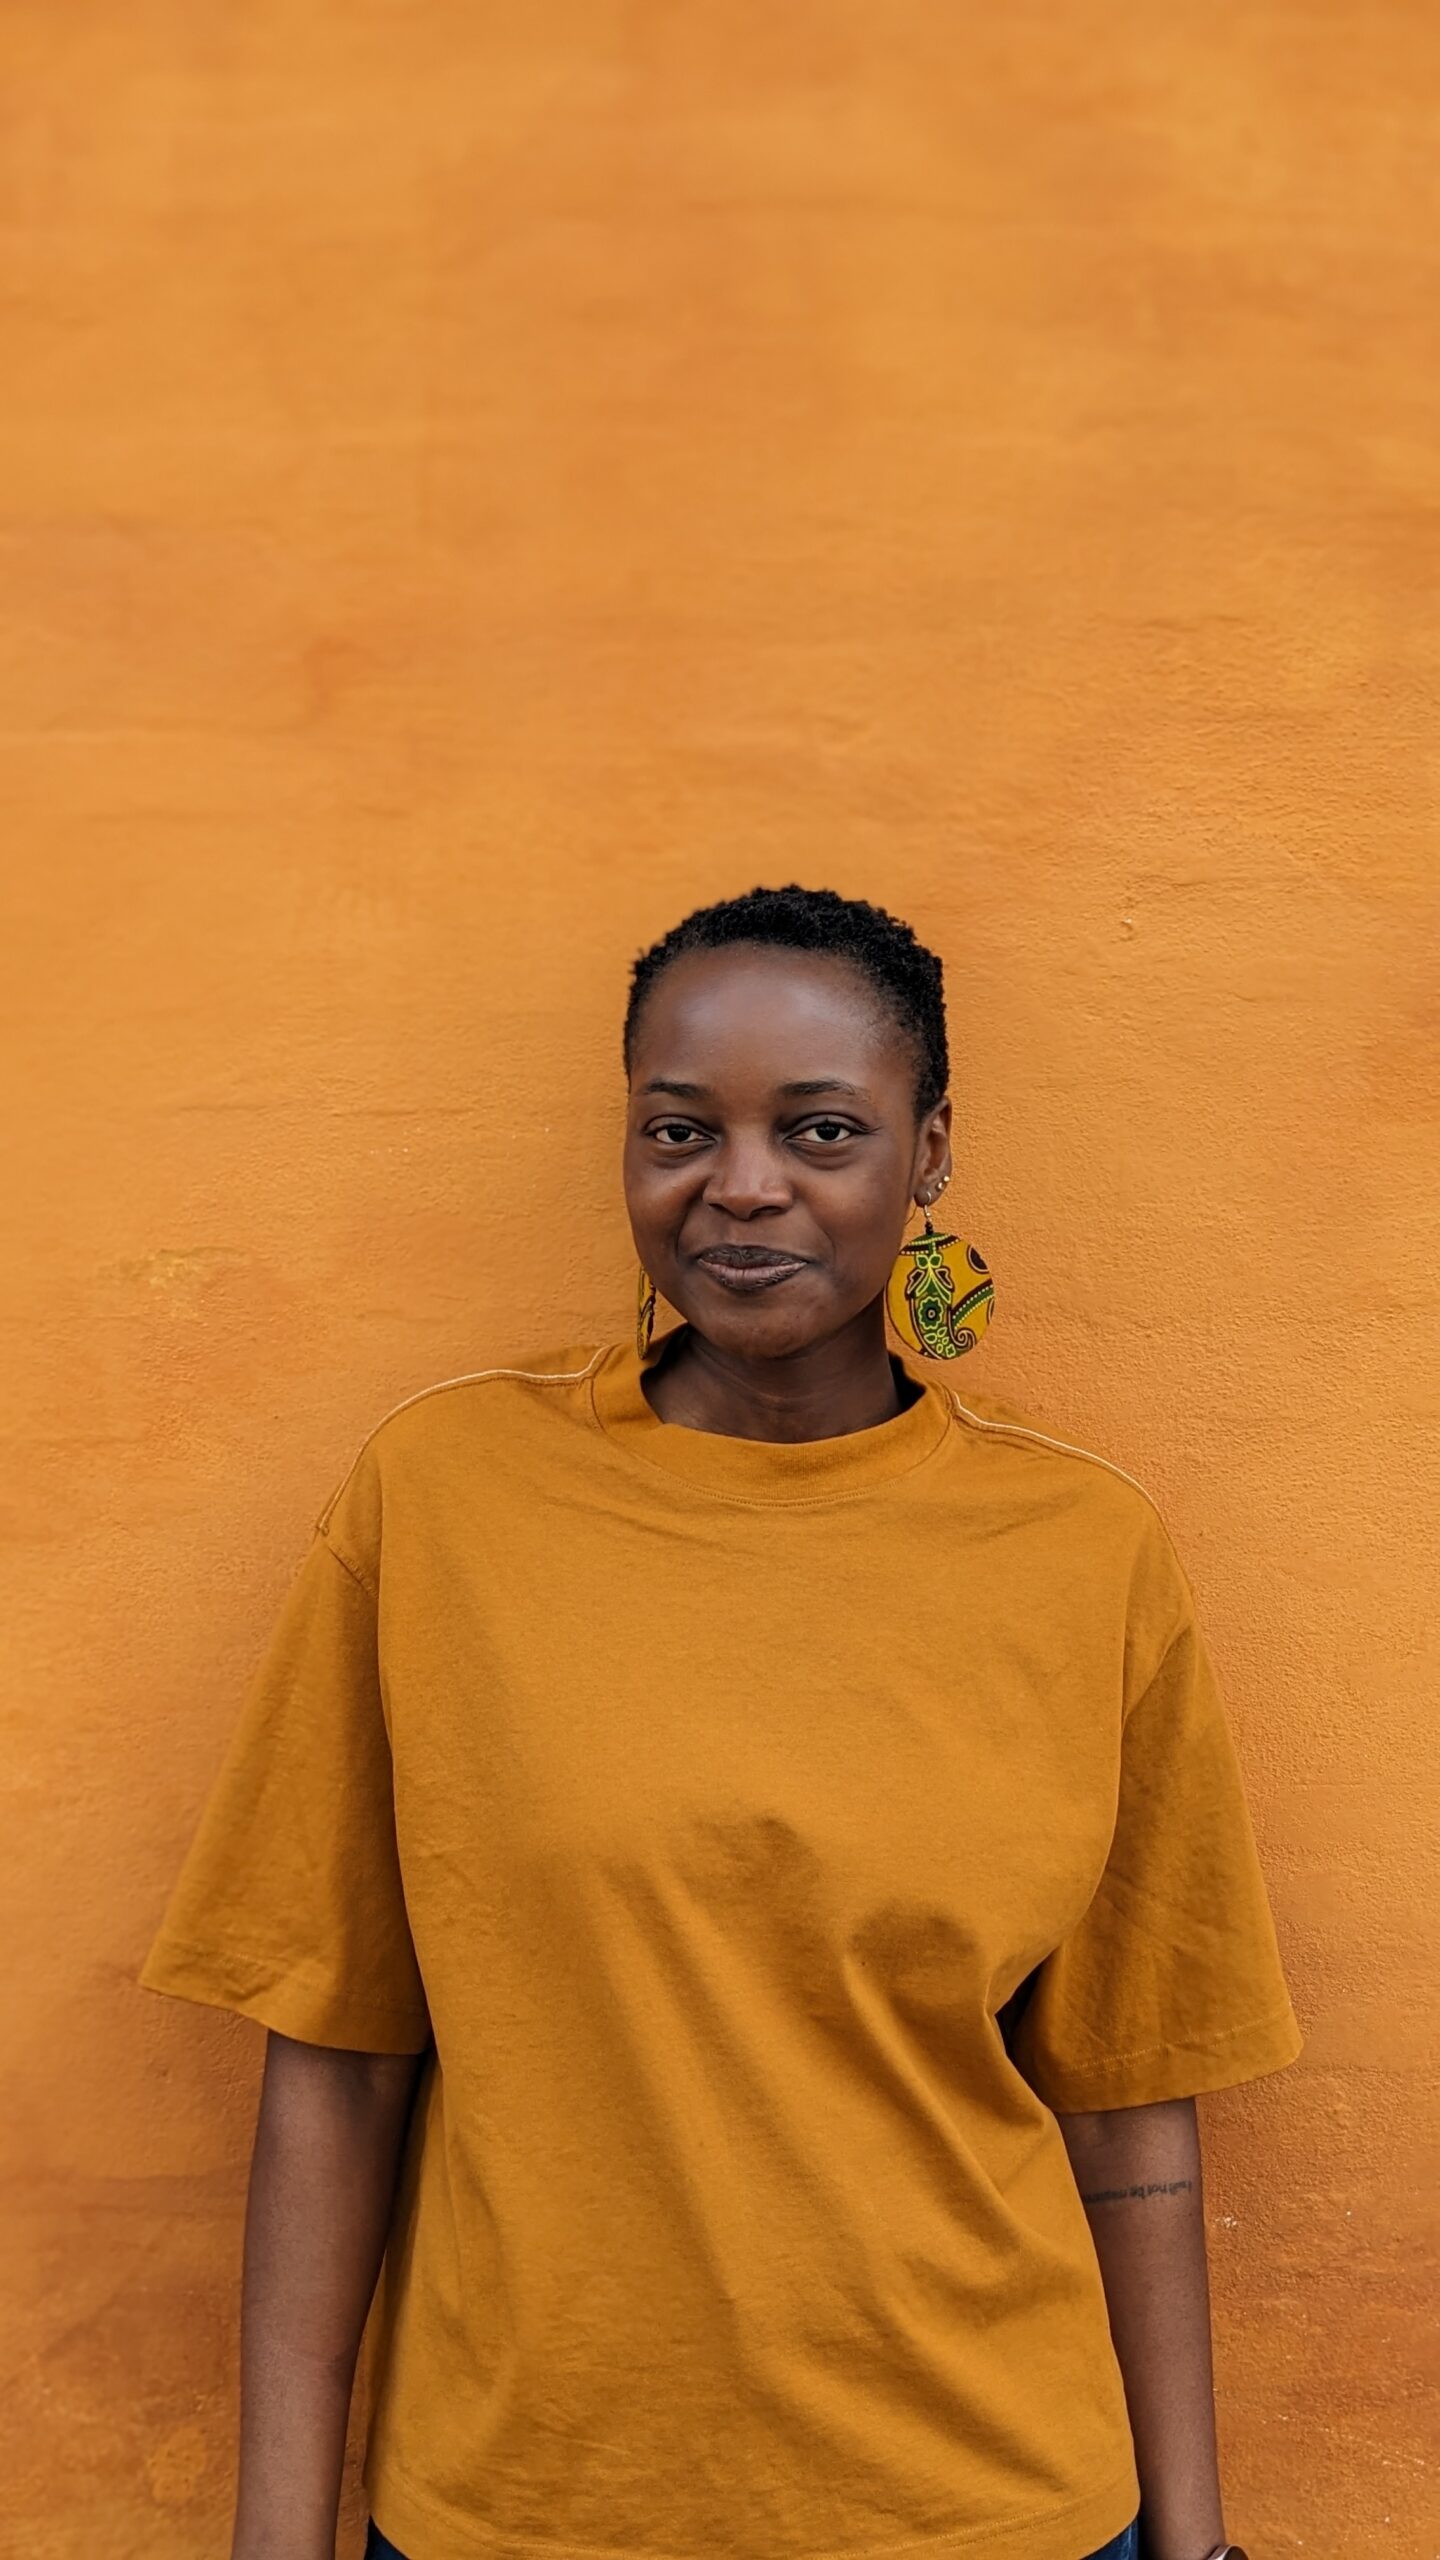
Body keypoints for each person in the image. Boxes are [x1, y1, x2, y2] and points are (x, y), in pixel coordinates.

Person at [141, 884, 1300, 2560]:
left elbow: (1130, 2104)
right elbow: (336, 2063)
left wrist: (1198, 2548)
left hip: (991, 2505)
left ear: (930, 1151)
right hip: (526, 2511)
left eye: (821, 1129)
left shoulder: (1082, 1550)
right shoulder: (444, 1501)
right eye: (680, 1129)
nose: (742, 1184)